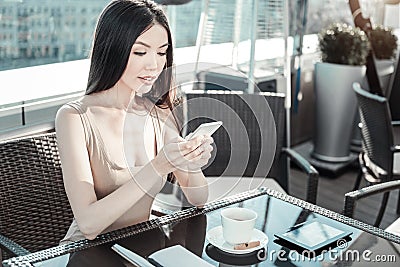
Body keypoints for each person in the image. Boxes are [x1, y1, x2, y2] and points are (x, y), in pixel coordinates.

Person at [55, 0, 212, 254]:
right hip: (89, 253)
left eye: (161, 52)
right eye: (141, 52)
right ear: (113, 49)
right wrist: (159, 165)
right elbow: (89, 225)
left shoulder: (158, 113)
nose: (154, 65)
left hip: (141, 248)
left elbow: (199, 198)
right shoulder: (75, 118)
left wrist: (190, 163)